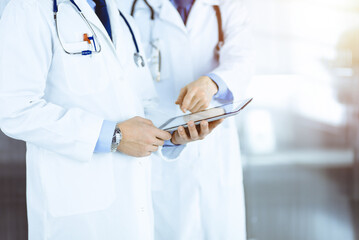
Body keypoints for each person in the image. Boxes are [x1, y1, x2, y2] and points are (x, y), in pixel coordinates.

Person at [0, 0, 222, 239]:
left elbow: (143, 105)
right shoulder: (29, 7)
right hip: (76, 210)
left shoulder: (123, 20)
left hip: (132, 208)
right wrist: (114, 136)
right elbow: (14, 109)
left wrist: (173, 134)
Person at [118, 0, 254, 239]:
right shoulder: (128, 6)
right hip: (158, 149)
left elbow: (243, 61)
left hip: (215, 152)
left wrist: (212, 83)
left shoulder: (227, 6)